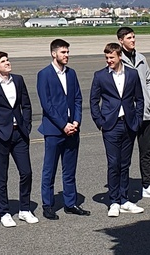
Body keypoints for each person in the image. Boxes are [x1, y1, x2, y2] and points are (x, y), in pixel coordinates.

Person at [90, 43, 145, 217]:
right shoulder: (100, 76)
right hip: (110, 126)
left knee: (125, 164)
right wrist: (100, 122)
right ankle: (113, 201)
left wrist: (137, 121)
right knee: (113, 164)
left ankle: (124, 199)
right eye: (106, 58)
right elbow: (93, 101)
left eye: (111, 58)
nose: (109, 61)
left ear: (119, 56)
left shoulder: (133, 74)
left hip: (128, 124)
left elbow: (139, 99)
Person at [36, 38, 87, 219]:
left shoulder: (71, 74)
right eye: (63, 52)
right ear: (54, 53)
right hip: (54, 130)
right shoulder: (44, 74)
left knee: (70, 169)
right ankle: (48, 205)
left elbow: (78, 99)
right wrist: (63, 125)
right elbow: (47, 105)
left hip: (72, 129)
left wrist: (76, 121)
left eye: (67, 52)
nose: (67, 55)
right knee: (49, 170)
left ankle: (70, 203)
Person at [0, 51, 36, 228]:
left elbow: (26, 104)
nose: (8, 63)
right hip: (1, 134)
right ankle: (4, 211)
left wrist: (27, 126)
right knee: (2, 175)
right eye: (4, 61)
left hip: (19, 133)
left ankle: (25, 209)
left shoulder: (19, 80)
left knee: (26, 172)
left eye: (8, 60)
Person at [117, 27, 150, 200]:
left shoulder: (141, 58)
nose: (133, 40)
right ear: (121, 40)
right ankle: (122, 190)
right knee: (125, 154)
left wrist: (149, 97)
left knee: (146, 151)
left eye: (134, 37)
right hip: (129, 115)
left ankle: (147, 185)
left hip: (145, 113)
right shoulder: (118, 59)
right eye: (129, 38)